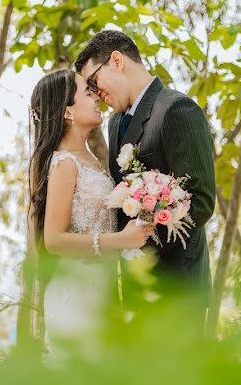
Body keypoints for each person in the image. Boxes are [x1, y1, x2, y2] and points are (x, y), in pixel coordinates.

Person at [75, 30, 216, 307]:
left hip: (178, 288)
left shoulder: (177, 109)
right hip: (132, 292)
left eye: (94, 81)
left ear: (117, 61)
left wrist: (136, 245)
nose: (96, 93)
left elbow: (201, 202)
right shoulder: (114, 124)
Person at [28, 69, 153, 353]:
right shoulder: (64, 163)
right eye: (87, 92)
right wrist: (122, 240)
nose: (96, 96)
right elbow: (54, 240)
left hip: (102, 293)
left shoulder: (92, 159)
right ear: (67, 112)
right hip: (75, 296)